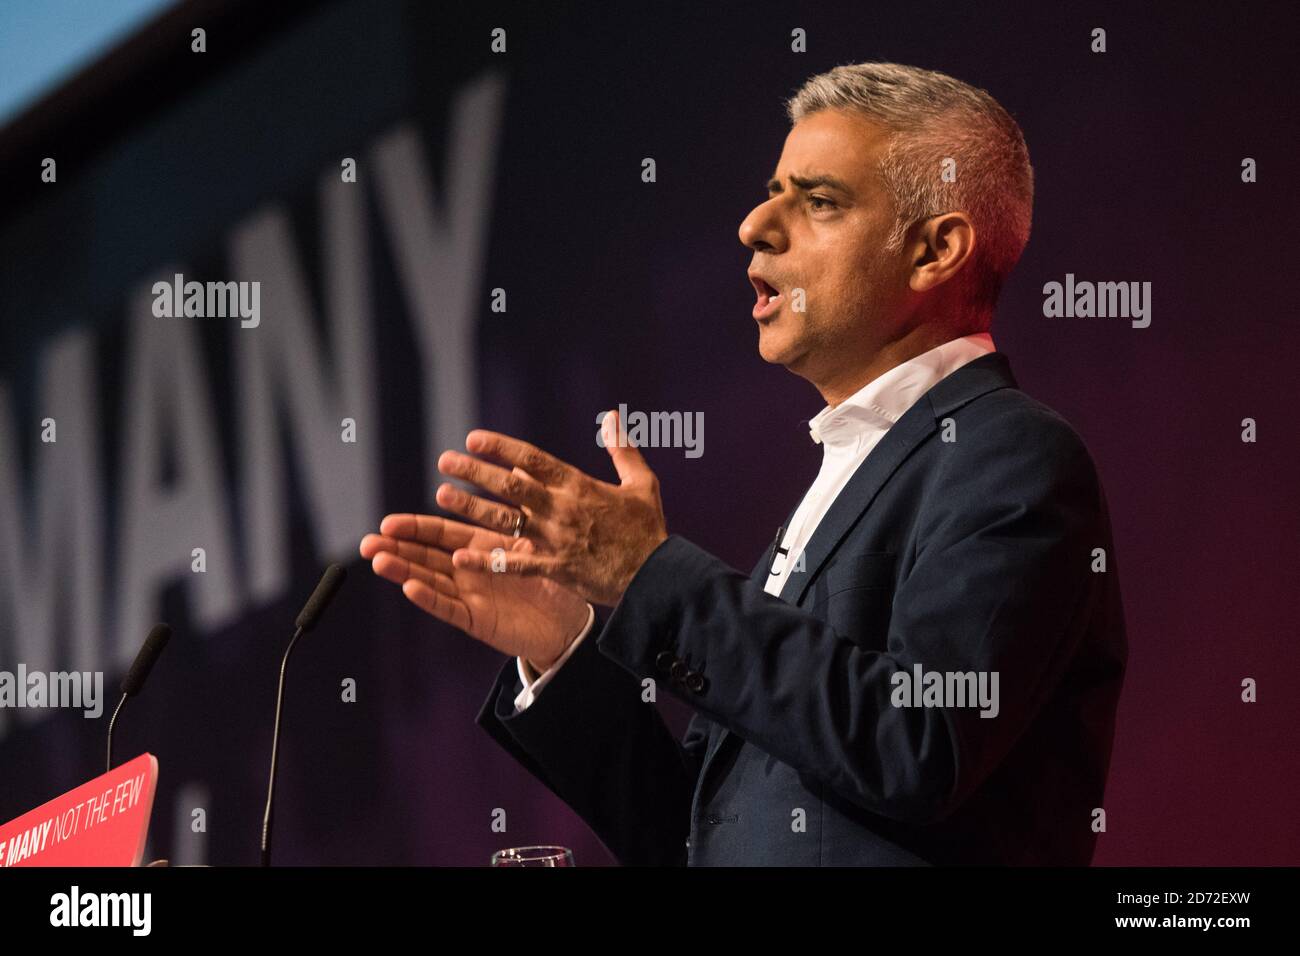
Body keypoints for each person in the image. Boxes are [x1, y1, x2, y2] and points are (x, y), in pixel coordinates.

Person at [359, 62, 1127, 866]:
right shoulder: (846, 477)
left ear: (935, 250)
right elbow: (695, 835)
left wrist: (649, 576)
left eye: (819, 201)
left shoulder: (1009, 455)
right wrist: (564, 651)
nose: (755, 223)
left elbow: (921, 742)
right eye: (772, 190)